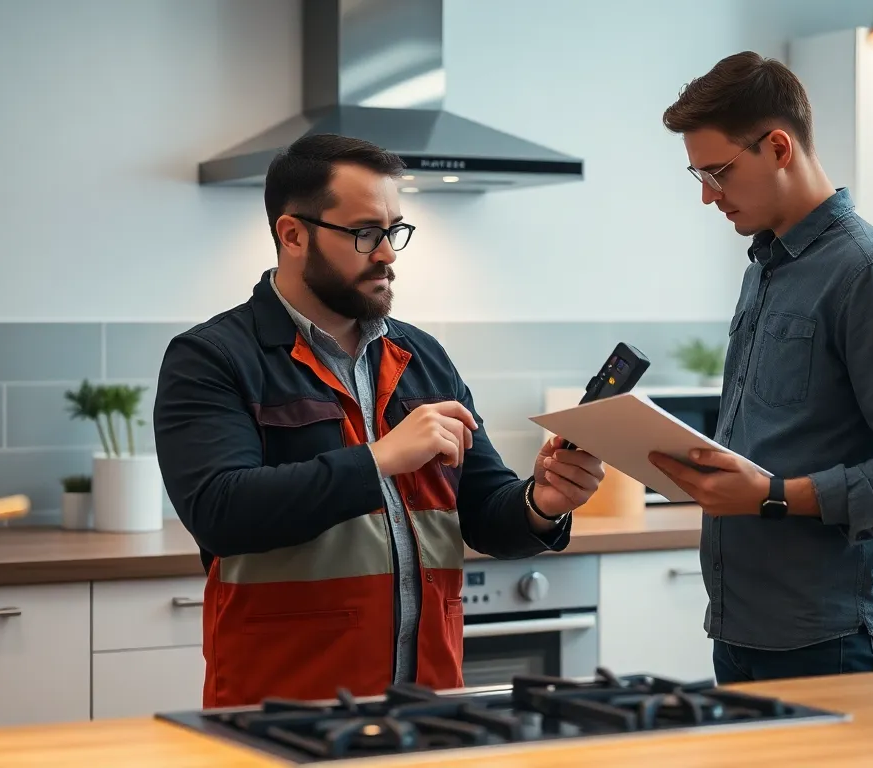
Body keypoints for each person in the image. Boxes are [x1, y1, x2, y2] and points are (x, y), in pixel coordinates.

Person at [153, 133, 605, 708]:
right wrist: (380, 459)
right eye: (366, 232)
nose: (388, 253)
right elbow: (221, 512)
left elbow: (486, 513)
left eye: (395, 231)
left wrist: (542, 502)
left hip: (431, 706)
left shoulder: (423, 357)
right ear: (293, 235)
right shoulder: (213, 357)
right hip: (280, 709)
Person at [649, 52, 873, 683]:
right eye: (698, 175)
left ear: (779, 147)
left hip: (830, 637)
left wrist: (768, 496)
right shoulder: (766, 267)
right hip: (739, 627)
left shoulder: (872, 275)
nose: (708, 195)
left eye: (718, 172)